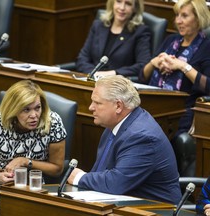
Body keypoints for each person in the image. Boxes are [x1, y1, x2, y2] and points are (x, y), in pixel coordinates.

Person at [67, 75, 181, 205]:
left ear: (118, 106)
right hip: (123, 202)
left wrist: (80, 178)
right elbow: (101, 171)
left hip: (156, 209)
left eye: (97, 103)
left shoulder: (142, 137)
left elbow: (117, 182)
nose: (91, 107)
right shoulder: (114, 125)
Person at [0, 80, 67, 216]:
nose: (34, 115)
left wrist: (25, 161)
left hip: (33, 187)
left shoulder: (52, 122)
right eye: (26, 110)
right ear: (13, 109)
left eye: (37, 107)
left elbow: (57, 168)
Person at [139, 0, 210, 140]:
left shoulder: (207, 47)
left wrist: (182, 66)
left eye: (184, 16)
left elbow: (208, 86)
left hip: (181, 112)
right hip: (154, 102)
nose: (178, 21)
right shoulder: (171, 40)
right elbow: (142, 77)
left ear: (198, 18)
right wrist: (154, 62)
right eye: (177, 15)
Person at [75, 0, 151, 78]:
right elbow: (82, 58)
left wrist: (114, 73)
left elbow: (143, 65)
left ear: (135, 8)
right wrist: (93, 73)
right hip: (91, 80)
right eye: (118, 1)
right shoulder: (98, 25)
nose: (122, 8)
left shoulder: (140, 32)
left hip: (117, 85)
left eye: (128, 4)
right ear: (112, 3)